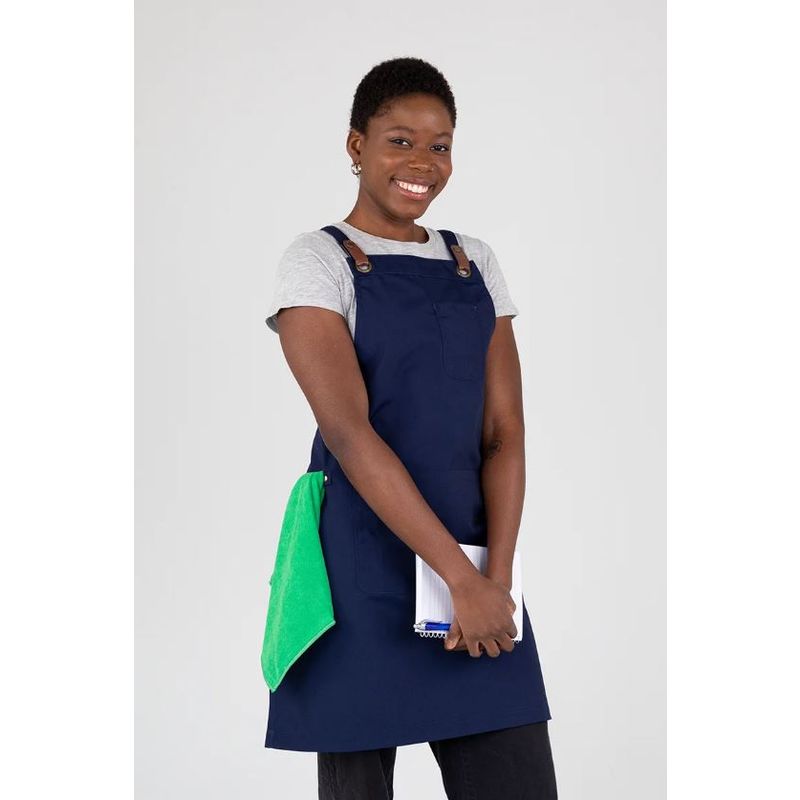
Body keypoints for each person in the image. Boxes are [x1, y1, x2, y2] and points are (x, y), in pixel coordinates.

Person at [263, 57, 558, 799]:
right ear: (356, 145)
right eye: (400, 141)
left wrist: (494, 582)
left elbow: (504, 431)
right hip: (362, 567)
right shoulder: (317, 260)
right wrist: (457, 578)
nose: (423, 162)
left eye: (441, 145)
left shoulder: (473, 261)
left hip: (475, 556)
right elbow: (349, 433)